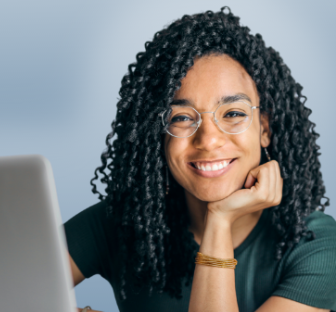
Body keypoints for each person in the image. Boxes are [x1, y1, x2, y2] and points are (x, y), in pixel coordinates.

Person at [65, 7, 336, 312]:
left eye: (233, 113)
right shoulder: (120, 222)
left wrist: (219, 220)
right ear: (159, 135)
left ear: (264, 129)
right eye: (181, 117)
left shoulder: (316, 244)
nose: (208, 140)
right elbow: (5, 288)